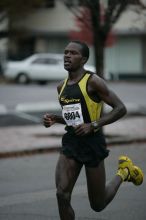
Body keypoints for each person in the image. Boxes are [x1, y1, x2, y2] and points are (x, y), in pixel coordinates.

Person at [43, 41, 144, 220]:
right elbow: (74, 117)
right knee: (62, 194)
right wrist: (55, 119)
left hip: (92, 143)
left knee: (98, 204)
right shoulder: (61, 87)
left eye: (73, 53)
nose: (67, 56)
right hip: (71, 143)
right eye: (65, 52)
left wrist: (94, 125)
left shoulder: (93, 81)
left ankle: (124, 172)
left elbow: (120, 108)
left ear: (83, 59)